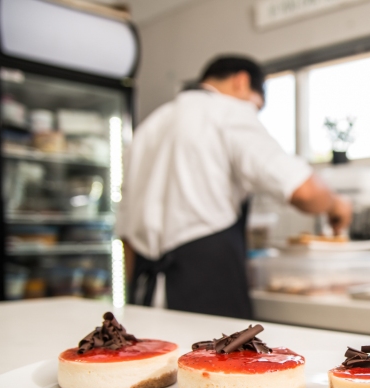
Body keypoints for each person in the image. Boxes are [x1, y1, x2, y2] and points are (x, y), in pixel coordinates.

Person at [116, 56, 351, 319]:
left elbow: (127, 234)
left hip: (144, 292)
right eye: (256, 106)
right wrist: (335, 204)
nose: (254, 114)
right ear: (241, 81)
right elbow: (305, 191)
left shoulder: (151, 125)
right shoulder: (228, 111)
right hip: (205, 290)